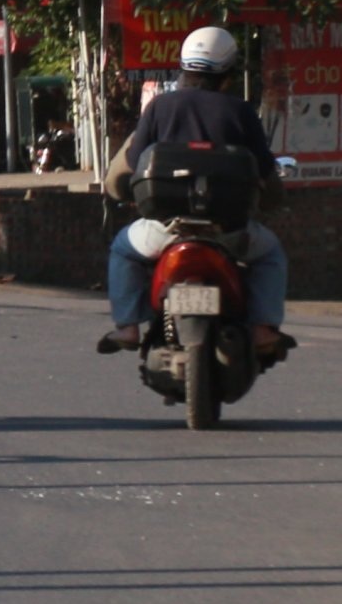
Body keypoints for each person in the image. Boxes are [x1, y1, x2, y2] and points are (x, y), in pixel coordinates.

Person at [104, 25, 293, 364]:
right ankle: (264, 328)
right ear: (229, 73)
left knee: (123, 249)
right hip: (229, 233)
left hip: (165, 231)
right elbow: (264, 173)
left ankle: (128, 326)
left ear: (184, 69)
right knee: (271, 254)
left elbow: (132, 164)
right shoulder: (242, 112)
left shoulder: (160, 107)